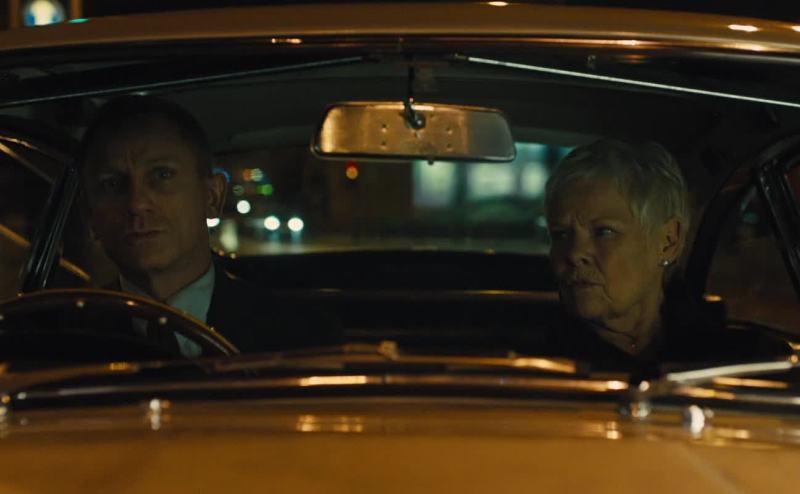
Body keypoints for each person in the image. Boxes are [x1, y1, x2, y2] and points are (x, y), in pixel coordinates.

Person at [77, 95, 337, 357]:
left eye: (162, 175)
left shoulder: (301, 337)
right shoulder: (63, 338)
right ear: (90, 216)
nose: (136, 203)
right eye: (111, 184)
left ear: (212, 197)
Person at [542, 138, 788, 373]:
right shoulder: (536, 362)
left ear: (668, 241)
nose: (574, 253)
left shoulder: (742, 358)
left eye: (604, 232)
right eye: (561, 234)